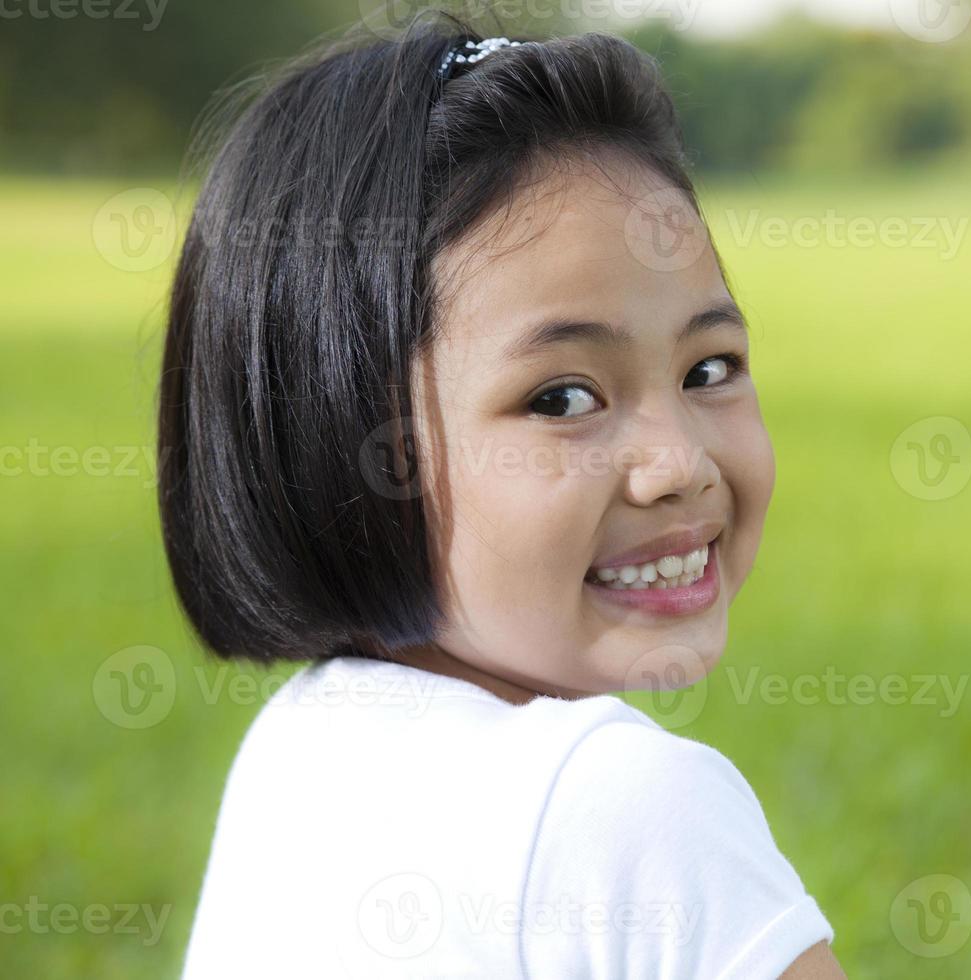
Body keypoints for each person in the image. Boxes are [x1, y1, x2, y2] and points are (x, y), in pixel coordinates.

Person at [158, 19, 844, 979]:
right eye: (563, 398)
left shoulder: (298, 753)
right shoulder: (639, 808)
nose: (678, 463)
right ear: (341, 451)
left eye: (709, 367)